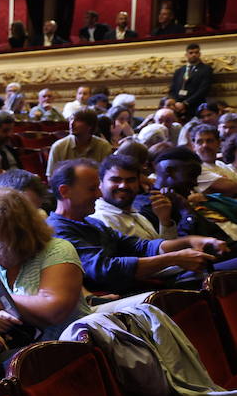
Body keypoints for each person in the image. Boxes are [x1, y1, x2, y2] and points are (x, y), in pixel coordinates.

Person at [47, 159, 230, 295]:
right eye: (91, 189)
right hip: (123, 298)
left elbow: (140, 246)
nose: (98, 194)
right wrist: (173, 258)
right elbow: (104, 270)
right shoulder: (58, 231)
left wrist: (191, 241)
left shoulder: (92, 223)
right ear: (65, 191)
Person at [0, 187, 88, 341]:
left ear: (10, 232)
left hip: (67, 347)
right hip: (10, 349)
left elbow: (54, 311)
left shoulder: (57, 250)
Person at [90, 152, 178, 240]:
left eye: (130, 180)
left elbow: (165, 250)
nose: (123, 185)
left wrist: (165, 221)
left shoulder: (139, 217)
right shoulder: (99, 221)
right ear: (100, 183)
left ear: (139, 183)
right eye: (116, 180)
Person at [45, 109, 112, 176]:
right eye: (71, 119)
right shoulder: (59, 146)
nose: (72, 123)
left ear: (90, 125)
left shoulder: (103, 146)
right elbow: (51, 176)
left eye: (78, 120)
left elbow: (106, 175)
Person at [169, 43, 213, 116]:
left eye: (196, 52)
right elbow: (172, 88)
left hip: (195, 106)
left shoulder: (206, 69)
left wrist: (186, 103)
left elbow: (204, 89)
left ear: (199, 54)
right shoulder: (179, 71)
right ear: (186, 55)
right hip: (177, 108)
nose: (193, 55)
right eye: (191, 53)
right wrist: (176, 103)